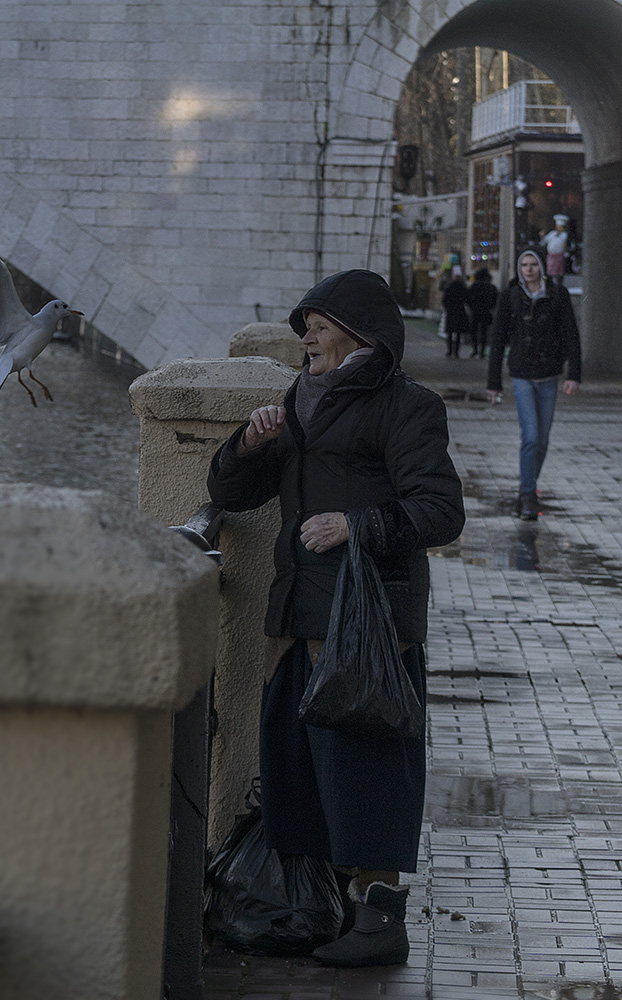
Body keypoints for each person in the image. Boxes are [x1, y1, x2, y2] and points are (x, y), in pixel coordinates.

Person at [207, 270, 465, 968]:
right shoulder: (299, 401)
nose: (307, 335)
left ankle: (380, 922)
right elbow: (228, 491)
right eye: (305, 326)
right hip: (296, 615)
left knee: (366, 769)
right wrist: (249, 445)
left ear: (359, 332)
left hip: (366, 625)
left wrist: (358, 524)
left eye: (318, 324)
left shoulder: (407, 406)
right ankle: (316, 907)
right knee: (296, 767)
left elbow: (442, 511)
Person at [486, 249, 582, 521]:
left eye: (533, 265)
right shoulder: (511, 297)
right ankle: (528, 494)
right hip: (522, 375)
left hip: (549, 375)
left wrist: (573, 374)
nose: (528, 269)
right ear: (520, 268)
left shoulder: (557, 295)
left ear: (542, 267)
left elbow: (571, 335)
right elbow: (498, 341)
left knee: (542, 440)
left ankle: (527, 483)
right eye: (524, 265)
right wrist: (493, 383)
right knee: (530, 436)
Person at [466, 267, 498, 358]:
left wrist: (472, 307)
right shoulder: (491, 287)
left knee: (474, 331)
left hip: (475, 311)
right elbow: (495, 300)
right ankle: (482, 351)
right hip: (486, 311)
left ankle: (475, 349)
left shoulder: (474, 286)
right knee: (484, 331)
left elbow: (468, 298)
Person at [441, 271, 469, 358]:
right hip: (460, 311)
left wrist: (447, 308)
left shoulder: (449, 288)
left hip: (450, 311)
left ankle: (449, 350)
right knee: (458, 333)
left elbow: (444, 300)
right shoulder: (463, 288)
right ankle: (456, 352)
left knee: (449, 332)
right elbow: (467, 299)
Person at [540, 214, 569, 284]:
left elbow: (564, 244)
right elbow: (545, 241)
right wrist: (542, 236)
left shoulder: (564, 235)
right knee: (550, 269)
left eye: (561, 227)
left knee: (558, 270)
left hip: (559, 255)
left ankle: (559, 283)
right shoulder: (552, 234)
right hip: (551, 255)